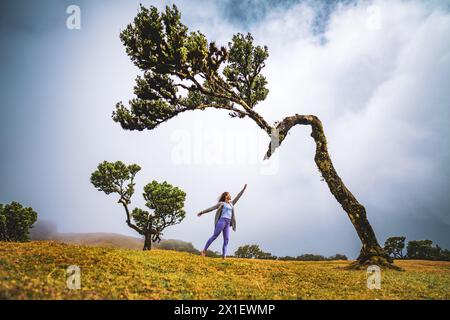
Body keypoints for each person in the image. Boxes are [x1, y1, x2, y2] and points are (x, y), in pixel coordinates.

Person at [197, 184, 247, 259]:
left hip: (228, 223)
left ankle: (224, 256)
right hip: (222, 221)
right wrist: (202, 212)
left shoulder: (232, 204)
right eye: (229, 194)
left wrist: (243, 190)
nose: (230, 196)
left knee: (226, 239)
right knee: (215, 236)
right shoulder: (221, 204)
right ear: (226, 196)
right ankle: (204, 251)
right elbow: (211, 208)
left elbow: (238, 196)